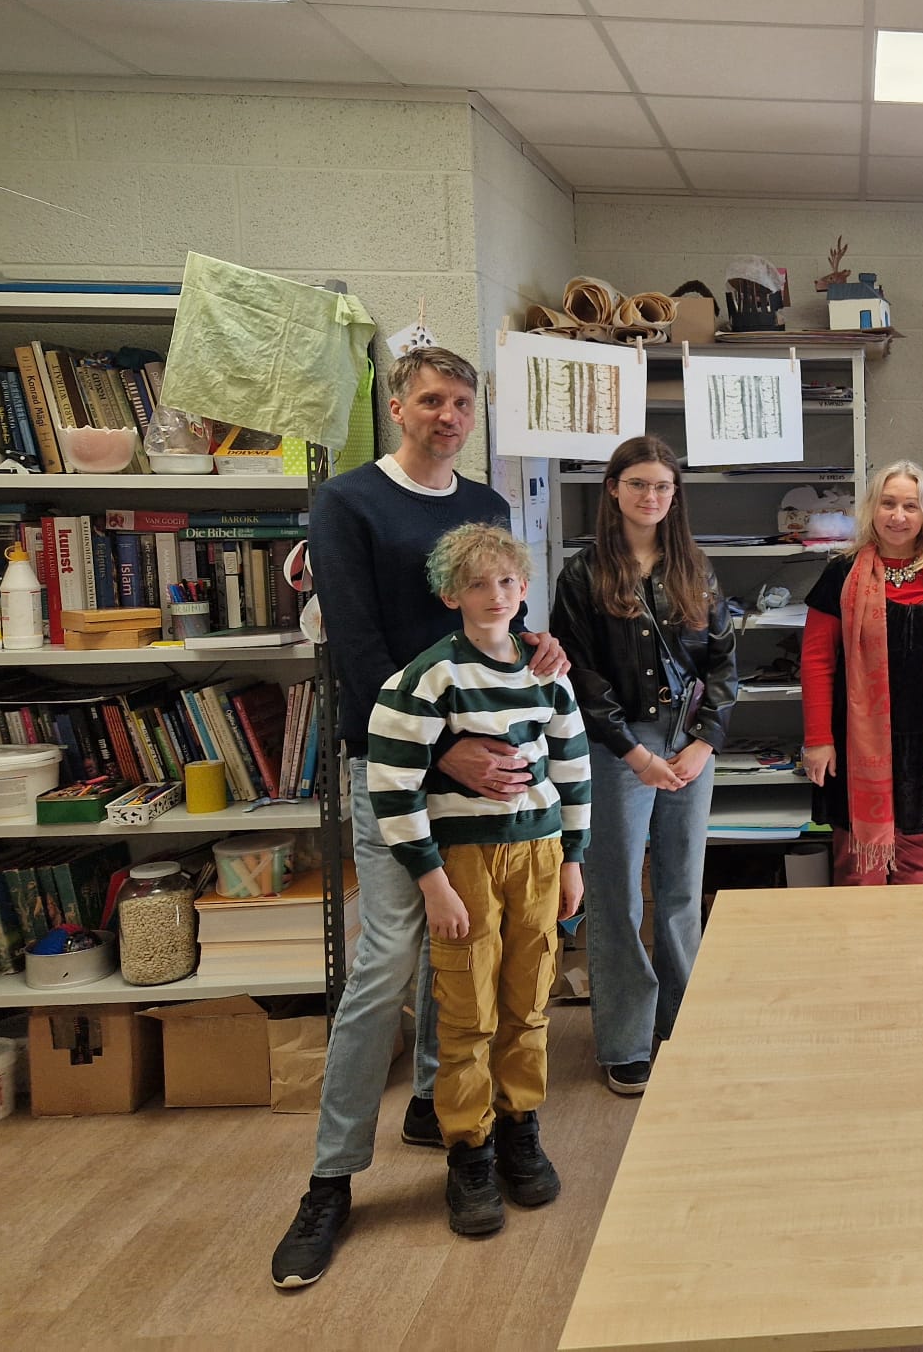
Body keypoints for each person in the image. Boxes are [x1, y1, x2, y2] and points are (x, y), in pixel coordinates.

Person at [272, 345, 568, 1288]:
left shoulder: (484, 503)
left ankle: (454, 1122)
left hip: (486, 778)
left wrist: (536, 647)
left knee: (472, 943)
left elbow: (492, 616)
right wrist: (444, 751)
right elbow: (358, 648)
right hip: (402, 762)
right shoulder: (349, 503)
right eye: (432, 399)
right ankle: (330, 1179)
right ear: (397, 406)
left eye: (463, 402)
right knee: (389, 960)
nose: (449, 415)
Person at [366, 523, 590, 1238]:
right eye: (476, 584)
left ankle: (521, 1127)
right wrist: (431, 881)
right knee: (466, 1009)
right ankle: (469, 1148)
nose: (494, 595)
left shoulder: (546, 672)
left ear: (523, 588)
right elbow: (393, 783)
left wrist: (574, 857)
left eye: (506, 582)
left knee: (529, 1000)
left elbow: (572, 766)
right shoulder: (431, 676)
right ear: (450, 595)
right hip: (464, 863)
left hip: (539, 856)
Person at [550, 435, 736, 1097]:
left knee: (683, 890)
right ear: (613, 489)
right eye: (638, 484)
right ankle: (626, 1040)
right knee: (617, 894)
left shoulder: (696, 569)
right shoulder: (583, 575)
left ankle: (680, 1022)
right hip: (617, 749)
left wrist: (704, 742)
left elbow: (722, 665)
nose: (650, 496)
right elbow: (581, 677)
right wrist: (634, 753)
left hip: (689, 745)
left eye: (662, 486)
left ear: (674, 494)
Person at [801, 460, 923, 885]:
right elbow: (816, 661)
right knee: (859, 874)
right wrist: (818, 741)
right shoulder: (841, 574)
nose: (898, 516)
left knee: (922, 873)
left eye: (910, 505)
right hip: (855, 746)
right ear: (872, 509)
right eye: (888, 504)